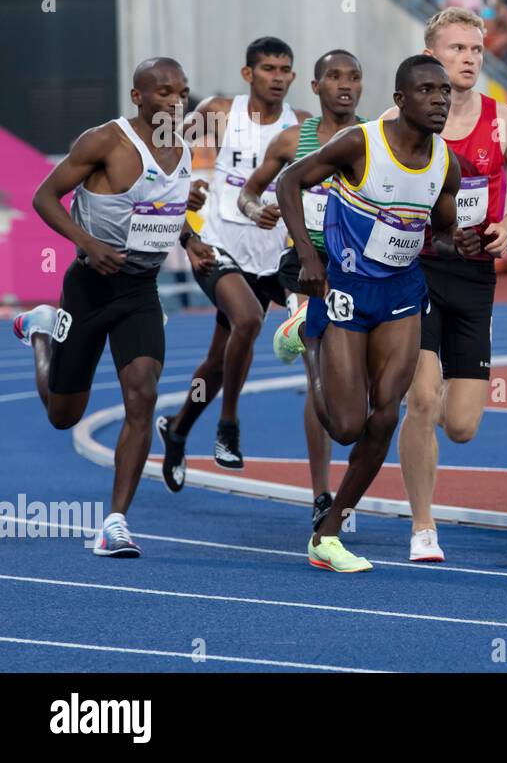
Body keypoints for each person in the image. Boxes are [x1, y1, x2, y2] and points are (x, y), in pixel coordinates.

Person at [14, 57, 212, 556]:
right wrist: (87, 244)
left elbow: (161, 211)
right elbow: (44, 196)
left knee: (141, 396)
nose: (175, 100)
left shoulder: (183, 147)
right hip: (89, 288)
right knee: (63, 415)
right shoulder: (104, 141)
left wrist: (188, 239)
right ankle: (41, 334)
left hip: (141, 291)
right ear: (138, 97)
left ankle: (115, 522)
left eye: (182, 91)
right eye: (164, 91)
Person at [276, 54, 460, 573]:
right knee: (348, 426)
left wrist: (457, 241)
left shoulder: (447, 162)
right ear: (400, 100)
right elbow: (290, 183)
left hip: (402, 291)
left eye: (444, 91)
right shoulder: (363, 143)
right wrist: (309, 258)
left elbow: (441, 237)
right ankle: (306, 338)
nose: (440, 99)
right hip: (347, 290)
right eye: (427, 91)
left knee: (385, 416)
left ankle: (328, 534)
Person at [387, 9, 507, 563]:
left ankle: (423, 393)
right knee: (422, 400)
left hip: (474, 274)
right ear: (431, 56)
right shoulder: (401, 122)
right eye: (457, 49)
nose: (470, 59)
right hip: (416, 269)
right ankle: (424, 526)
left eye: (476, 49)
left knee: (463, 425)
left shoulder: (506, 121)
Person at [156, 37, 309, 477]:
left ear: (294, 77)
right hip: (217, 247)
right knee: (248, 320)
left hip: (270, 257)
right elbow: (163, 157)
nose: (277, 78)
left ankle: (179, 427)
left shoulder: (301, 126)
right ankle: (229, 423)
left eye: (284, 70)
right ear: (248, 74)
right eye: (268, 69)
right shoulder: (221, 112)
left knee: (219, 362)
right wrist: (185, 223)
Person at [239, 50, 365, 528]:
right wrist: (256, 211)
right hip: (306, 265)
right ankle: (321, 494)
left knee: (362, 388)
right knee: (324, 381)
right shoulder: (294, 139)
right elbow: (250, 192)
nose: (345, 85)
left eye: (353, 77)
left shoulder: (376, 136)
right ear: (315, 87)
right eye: (334, 77)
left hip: (360, 267)